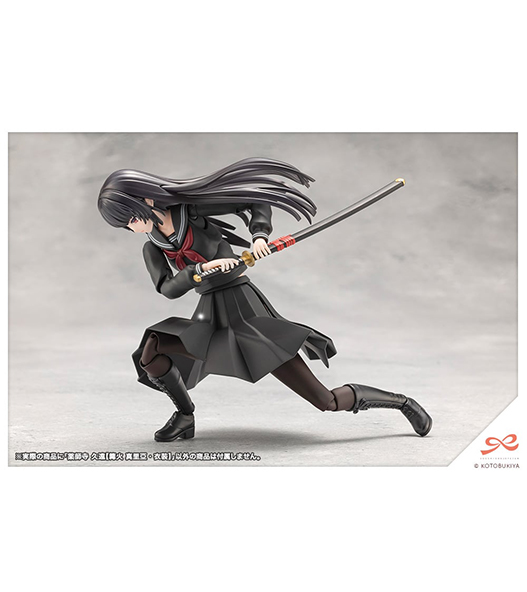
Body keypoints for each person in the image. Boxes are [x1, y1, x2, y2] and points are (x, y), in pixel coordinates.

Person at [98, 157, 432, 441]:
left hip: (245, 309)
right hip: (210, 316)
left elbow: (254, 201)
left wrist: (259, 236)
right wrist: (200, 270)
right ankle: (185, 415)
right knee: (152, 349)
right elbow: (167, 289)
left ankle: (402, 402)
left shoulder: (192, 211)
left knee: (325, 401)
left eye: (131, 218)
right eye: (125, 225)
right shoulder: (153, 247)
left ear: (146, 200)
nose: (132, 227)